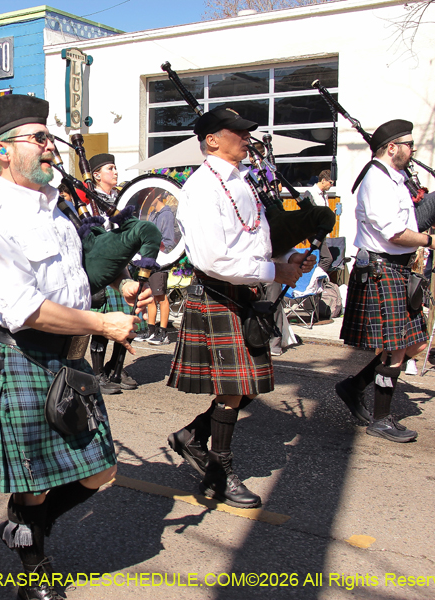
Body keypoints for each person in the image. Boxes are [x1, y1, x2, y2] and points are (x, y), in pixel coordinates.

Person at [0, 95, 150, 600]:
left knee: (102, 471)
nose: (51, 148)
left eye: (49, 138)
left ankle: (27, 523)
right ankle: (34, 569)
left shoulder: (57, 212)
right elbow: (26, 309)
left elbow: (76, 282)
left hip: (70, 358)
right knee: (35, 479)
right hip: (25, 357)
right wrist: (103, 324)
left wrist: (123, 287)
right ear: (3, 151)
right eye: (40, 139)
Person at [166, 107, 314, 508]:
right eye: (238, 132)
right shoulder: (203, 188)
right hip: (218, 292)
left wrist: (285, 258)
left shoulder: (240, 182)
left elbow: (252, 242)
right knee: (234, 389)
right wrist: (274, 270)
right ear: (213, 140)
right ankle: (220, 472)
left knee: (248, 383)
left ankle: (193, 436)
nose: (247, 138)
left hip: (244, 293)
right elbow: (215, 259)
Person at [336, 120, 435, 443]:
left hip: (397, 268)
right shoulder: (377, 180)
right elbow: (394, 233)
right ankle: (382, 418)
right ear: (392, 147)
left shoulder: (396, 179)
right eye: (409, 144)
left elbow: (408, 223)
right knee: (395, 349)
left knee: (412, 343)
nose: (413, 150)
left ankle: (355, 386)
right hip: (380, 268)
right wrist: (431, 242)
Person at [84, 153, 139, 394]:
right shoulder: (87, 201)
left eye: (115, 168)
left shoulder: (122, 197)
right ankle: (97, 375)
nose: (115, 172)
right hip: (103, 265)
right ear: (96, 174)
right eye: (110, 168)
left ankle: (116, 368)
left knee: (129, 320)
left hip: (124, 265)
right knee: (103, 323)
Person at [144, 191, 179, 346]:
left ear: (157, 196)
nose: (146, 200)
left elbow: (169, 242)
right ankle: (151, 330)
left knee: (161, 296)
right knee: (150, 296)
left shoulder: (166, 215)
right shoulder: (153, 215)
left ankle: (163, 333)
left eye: (149, 197)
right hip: (149, 259)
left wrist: (154, 246)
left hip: (160, 260)